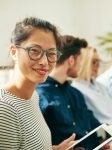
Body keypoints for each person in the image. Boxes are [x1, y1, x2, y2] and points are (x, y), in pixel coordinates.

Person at [0, 17, 76, 150]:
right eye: (34, 51)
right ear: (14, 52)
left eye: (51, 53)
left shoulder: (33, 96)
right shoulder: (5, 109)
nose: (44, 62)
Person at [36, 35, 101, 149]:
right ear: (71, 60)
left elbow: (94, 125)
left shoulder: (76, 93)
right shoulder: (40, 96)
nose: (81, 65)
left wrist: (104, 141)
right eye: (80, 60)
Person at [72, 46, 112, 125]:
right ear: (84, 63)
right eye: (94, 62)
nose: (98, 65)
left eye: (98, 62)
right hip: (109, 130)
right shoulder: (77, 89)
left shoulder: (100, 86)